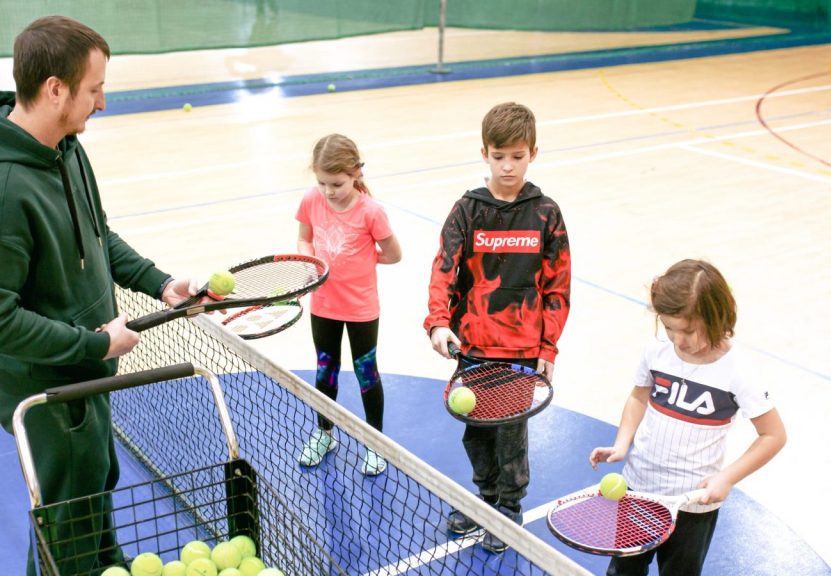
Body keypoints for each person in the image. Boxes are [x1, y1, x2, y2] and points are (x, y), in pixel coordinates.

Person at [0, 16, 204, 575]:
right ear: (55, 89)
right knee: (66, 525)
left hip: (84, 368)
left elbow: (96, 235)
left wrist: (162, 283)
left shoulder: (64, 147)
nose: (103, 102)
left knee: (93, 492)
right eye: (94, 89)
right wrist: (92, 345)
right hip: (47, 388)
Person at [424, 102, 571, 553]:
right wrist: (437, 322)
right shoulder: (467, 210)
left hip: (523, 351)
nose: (508, 166)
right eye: (499, 155)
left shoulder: (546, 214)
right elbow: (444, 269)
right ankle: (485, 499)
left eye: (518, 156)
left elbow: (557, 288)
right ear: (484, 153)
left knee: (511, 435)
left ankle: (509, 510)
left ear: (534, 154)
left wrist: (548, 349)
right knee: (476, 431)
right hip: (473, 348)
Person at [589, 259, 787, 576]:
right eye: (669, 328)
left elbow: (774, 435)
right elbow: (639, 396)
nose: (678, 339)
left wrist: (727, 477)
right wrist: (621, 443)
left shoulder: (739, 371)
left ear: (717, 317)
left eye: (688, 330)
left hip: (693, 505)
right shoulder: (656, 350)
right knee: (623, 572)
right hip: (639, 489)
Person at [295, 133, 402, 476]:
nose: (328, 191)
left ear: (356, 172)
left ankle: (375, 444)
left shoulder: (372, 212)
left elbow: (394, 254)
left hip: (361, 309)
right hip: (323, 304)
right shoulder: (312, 200)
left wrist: (365, 260)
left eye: (337, 183)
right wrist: (311, 263)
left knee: (365, 372)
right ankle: (325, 434)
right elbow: (304, 237)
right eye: (322, 183)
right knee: (325, 370)